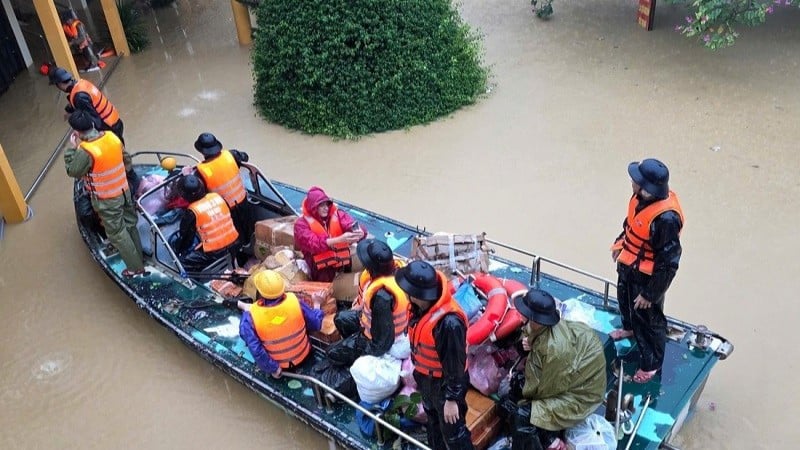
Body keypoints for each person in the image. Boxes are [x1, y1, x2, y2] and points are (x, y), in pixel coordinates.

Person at [610, 158, 684, 383]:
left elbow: (669, 262)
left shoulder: (666, 219)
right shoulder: (638, 199)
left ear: (649, 188)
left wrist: (650, 294)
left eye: (637, 181)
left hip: (648, 276)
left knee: (649, 319)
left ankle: (651, 364)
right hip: (629, 265)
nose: (632, 183)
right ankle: (629, 328)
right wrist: (619, 243)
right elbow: (631, 225)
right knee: (624, 298)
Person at [505, 289, 607, 450]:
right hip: (568, 379)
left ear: (535, 318)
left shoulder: (555, 350)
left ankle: (547, 440)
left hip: (580, 396)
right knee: (507, 403)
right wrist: (526, 346)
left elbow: (545, 392)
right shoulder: (540, 327)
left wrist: (519, 383)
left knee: (522, 415)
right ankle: (545, 438)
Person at [395, 261, 474, 450]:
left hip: (445, 385)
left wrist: (452, 399)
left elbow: (455, 365)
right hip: (427, 380)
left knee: (454, 432)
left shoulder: (448, 324)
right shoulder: (420, 309)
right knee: (433, 421)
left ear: (415, 294)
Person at [64, 110, 145, 278]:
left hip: (107, 199)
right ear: (93, 124)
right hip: (124, 190)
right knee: (130, 224)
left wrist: (72, 149)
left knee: (117, 234)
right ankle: (140, 258)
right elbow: (127, 160)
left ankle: (135, 268)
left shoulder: (85, 151)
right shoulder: (111, 136)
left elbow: (73, 171)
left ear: (76, 133)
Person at [331, 239, 410, 360]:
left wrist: (363, 352)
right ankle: (353, 342)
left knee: (332, 353)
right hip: (369, 323)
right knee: (341, 318)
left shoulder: (382, 296)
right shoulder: (395, 273)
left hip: (381, 337)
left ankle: (353, 361)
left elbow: (381, 343)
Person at [236, 270, 323, 378]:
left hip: (280, 368)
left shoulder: (250, 316)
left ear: (259, 291)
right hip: (304, 357)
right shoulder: (295, 302)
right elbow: (316, 324)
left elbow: (253, 346)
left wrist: (273, 368)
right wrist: (317, 304)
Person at [189, 132, 253, 244]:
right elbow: (245, 157)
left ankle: (241, 256)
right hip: (243, 202)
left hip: (226, 211)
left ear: (201, 151)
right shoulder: (230, 155)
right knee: (249, 232)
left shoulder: (201, 170)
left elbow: (198, 192)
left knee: (235, 239)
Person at [168, 174, 240, 272]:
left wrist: (178, 248)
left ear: (184, 195)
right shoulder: (217, 196)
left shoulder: (192, 212)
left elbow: (186, 240)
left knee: (180, 265)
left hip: (215, 253)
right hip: (235, 243)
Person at [294, 186, 366, 282]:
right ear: (313, 208)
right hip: (320, 268)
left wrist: (360, 232)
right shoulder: (301, 225)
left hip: (342, 261)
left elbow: (349, 223)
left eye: (327, 204)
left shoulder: (338, 215)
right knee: (325, 281)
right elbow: (313, 243)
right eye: (321, 205)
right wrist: (339, 240)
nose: (326, 208)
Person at [49, 67, 124, 144]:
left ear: (59, 84)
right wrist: (70, 109)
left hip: (109, 127)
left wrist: (87, 136)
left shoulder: (79, 97)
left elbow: (93, 120)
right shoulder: (81, 83)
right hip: (115, 121)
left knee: (114, 153)